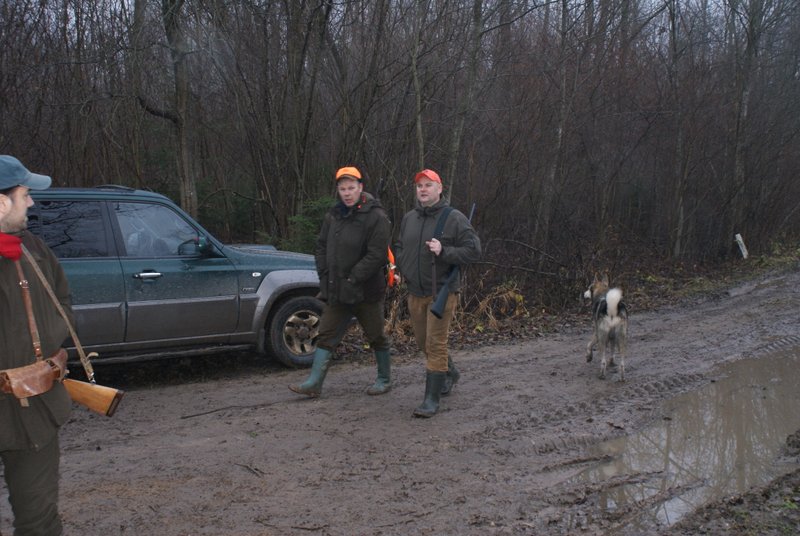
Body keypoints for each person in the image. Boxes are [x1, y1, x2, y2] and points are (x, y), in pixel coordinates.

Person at [0, 155, 74, 535]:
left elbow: (63, 300)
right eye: (25, 194)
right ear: (1, 202)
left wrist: (48, 346)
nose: (31, 202)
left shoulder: (34, 248)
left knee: (39, 520)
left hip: (35, 410)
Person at [289, 166, 393, 398]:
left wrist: (353, 277)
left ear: (360, 187)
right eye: (343, 189)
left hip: (366, 291)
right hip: (337, 291)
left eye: (351, 188)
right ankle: (314, 383)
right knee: (326, 334)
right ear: (338, 190)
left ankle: (384, 379)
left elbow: (377, 255)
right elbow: (321, 247)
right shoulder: (333, 215)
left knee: (376, 336)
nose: (347, 193)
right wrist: (324, 275)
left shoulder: (376, 216)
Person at [395, 168, 481, 418]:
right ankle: (450, 372)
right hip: (414, 292)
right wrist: (403, 267)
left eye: (428, 185)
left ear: (440, 188)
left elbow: (474, 250)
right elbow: (400, 246)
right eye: (419, 186)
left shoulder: (454, 218)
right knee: (423, 342)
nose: (423, 189)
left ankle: (431, 400)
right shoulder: (409, 218)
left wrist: (444, 251)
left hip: (442, 292)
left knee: (435, 344)